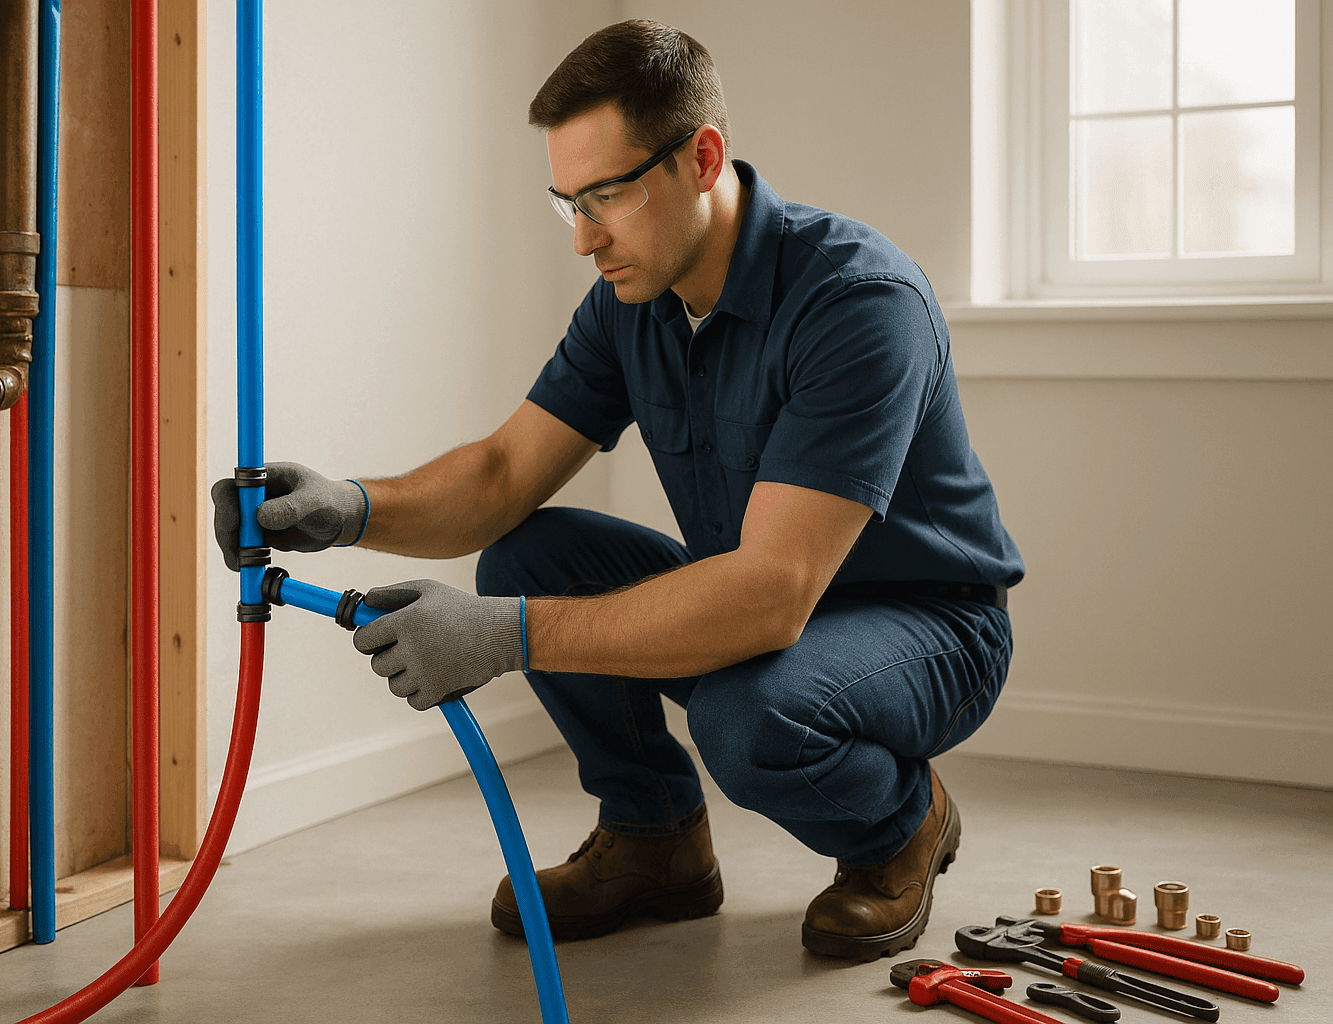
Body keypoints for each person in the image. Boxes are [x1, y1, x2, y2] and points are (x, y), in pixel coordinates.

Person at [211, 19, 1022, 960]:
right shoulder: (631, 299)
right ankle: (654, 840)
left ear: (703, 158)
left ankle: (901, 827)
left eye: (607, 195)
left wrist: (506, 635)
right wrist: (351, 508)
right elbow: (504, 474)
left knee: (749, 715)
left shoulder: (858, 302)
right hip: (762, 608)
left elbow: (770, 592)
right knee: (528, 554)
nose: (585, 239)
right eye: (567, 203)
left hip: (925, 630)